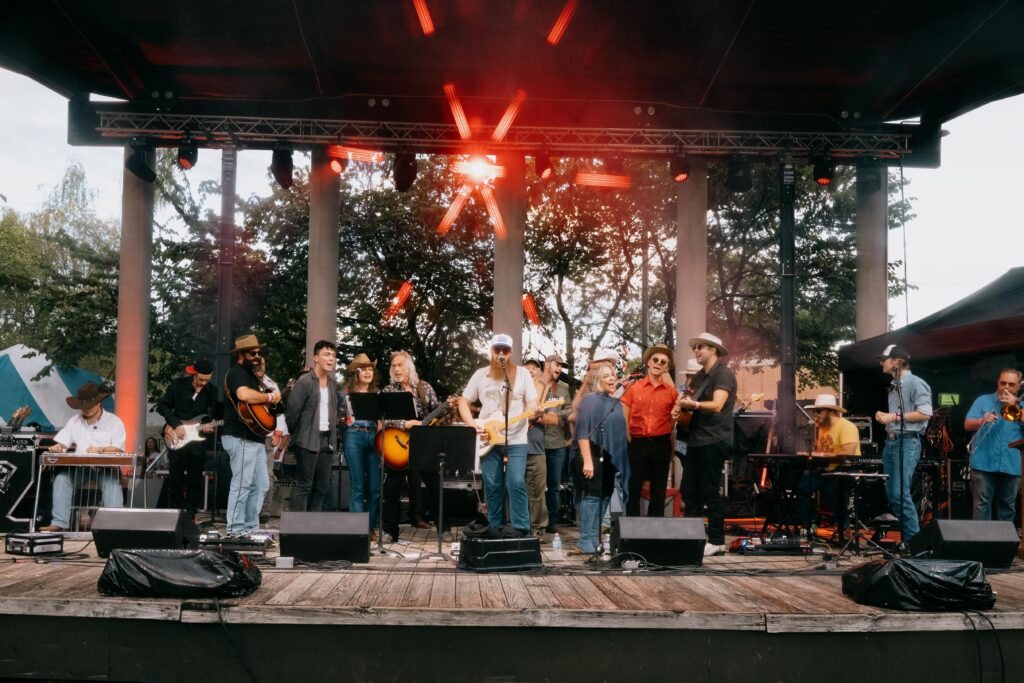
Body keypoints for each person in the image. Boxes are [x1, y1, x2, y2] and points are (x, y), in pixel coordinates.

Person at [458, 333, 538, 534]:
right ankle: (495, 528)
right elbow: (463, 402)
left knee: (516, 482)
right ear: (491, 352)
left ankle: (521, 530)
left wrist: (535, 410)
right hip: (488, 437)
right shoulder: (480, 375)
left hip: (516, 438)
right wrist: (472, 425)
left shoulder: (522, 375)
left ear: (511, 353)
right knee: (492, 485)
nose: (501, 354)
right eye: (497, 350)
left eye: (505, 350)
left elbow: (532, 403)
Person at [674, 332, 737, 557]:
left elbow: (718, 404)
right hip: (696, 440)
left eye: (700, 347)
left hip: (715, 439)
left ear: (713, 349)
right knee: (689, 490)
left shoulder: (724, 374)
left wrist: (695, 404)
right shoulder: (700, 376)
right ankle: (692, 537)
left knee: (710, 490)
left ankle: (718, 540)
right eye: (695, 347)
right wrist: (680, 408)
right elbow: (689, 403)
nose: (696, 351)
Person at [381, 350, 450, 541]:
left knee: (435, 485)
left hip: (423, 442)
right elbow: (383, 420)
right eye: (393, 366)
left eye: (400, 365)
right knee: (392, 488)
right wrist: (405, 424)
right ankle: (389, 531)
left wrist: (446, 409)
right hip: (397, 444)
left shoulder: (424, 388)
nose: (396, 369)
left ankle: (444, 528)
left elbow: (436, 411)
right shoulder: (388, 391)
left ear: (409, 367)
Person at [39, 383, 125, 532]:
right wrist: (58, 447)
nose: (87, 409)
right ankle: (59, 523)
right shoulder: (74, 421)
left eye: (90, 405)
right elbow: (63, 443)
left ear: (99, 402)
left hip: (103, 469)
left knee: (112, 485)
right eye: (83, 406)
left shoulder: (114, 421)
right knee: (61, 479)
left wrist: (101, 449)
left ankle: (115, 526)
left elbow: (117, 447)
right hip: (79, 469)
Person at [222, 334, 280, 536]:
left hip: (254, 438)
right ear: (241, 355)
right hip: (239, 436)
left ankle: (250, 528)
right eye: (253, 353)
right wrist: (269, 397)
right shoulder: (236, 373)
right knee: (242, 484)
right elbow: (243, 395)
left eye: (259, 352)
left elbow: (259, 406)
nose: (257, 356)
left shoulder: (252, 377)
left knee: (261, 485)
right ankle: (235, 530)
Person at [874, 344, 932, 544]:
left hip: (907, 442)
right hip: (892, 443)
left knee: (900, 493)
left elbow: (925, 413)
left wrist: (893, 417)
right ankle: (909, 542)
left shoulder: (916, 383)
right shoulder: (895, 385)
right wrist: (888, 417)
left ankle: (914, 544)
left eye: (885, 359)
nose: (881, 362)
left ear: (897, 362)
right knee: (893, 494)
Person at [573, 364, 629, 554]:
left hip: (608, 457)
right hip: (591, 453)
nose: (612, 378)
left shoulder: (614, 402)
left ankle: (593, 537)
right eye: (607, 376)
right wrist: (588, 461)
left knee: (605, 496)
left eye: (613, 375)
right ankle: (585, 540)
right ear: (598, 380)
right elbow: (582, 432)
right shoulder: (589, 400)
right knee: (592, 497)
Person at [621, 343, 678, 518]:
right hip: (638, 442)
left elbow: (672, 422)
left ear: (666, 368)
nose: (658, 363)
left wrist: (675, 418)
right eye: (655, 360)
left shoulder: (671, 392)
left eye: (663, 362)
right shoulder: (633, 388)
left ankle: (656, 533)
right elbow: (624, 418)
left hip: (661, 444)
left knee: (659, 491)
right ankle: (632, 531)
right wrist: (631, 440)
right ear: (648, 362)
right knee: (634, 487)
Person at [155, 357, 217, 516]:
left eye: (207, 380)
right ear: (194, 374)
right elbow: (162, 405)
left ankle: (190, 515)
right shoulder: (178, 385)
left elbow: (212, 415)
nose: (204, 383)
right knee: (175, 476)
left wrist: (210, 425)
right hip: (176, 434)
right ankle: (175, 512)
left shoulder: (212, 391)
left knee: (195, 478)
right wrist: (176, 424)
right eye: (201, 379)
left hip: (198, 439)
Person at [795, 394, 861, 538]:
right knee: (802, 487)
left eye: (818, 411)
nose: (815, 415)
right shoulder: (823, 428)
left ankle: (844, 528)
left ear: (830, 411)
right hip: (826, 470)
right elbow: (823, 452)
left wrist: (824, 455)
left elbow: (849, 452)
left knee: (833, 490)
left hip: (844, 469)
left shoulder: (847, 426)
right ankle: (808, 525)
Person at [286, 340, 338, 513]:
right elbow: (292, 414)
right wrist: (300, 434)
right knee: (304, 485)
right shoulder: (305, 382)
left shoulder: (332, 383)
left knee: (321, 487)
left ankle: (312, 528)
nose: (331, 359)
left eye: (333, 355)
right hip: (307, 439)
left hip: (327, 440)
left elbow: (333, 412)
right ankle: (296, 529)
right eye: (326, 354)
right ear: (316, 358)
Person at [964, 368, 1023, 521]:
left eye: (1011, 384)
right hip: (983, 462)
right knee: (981, 505)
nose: (1006, 387)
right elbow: (967, 424)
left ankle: (1004, 544)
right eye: (1003, 383)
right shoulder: (983, 401)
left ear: (1018, 386)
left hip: (1012, 464)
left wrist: (1017, 408)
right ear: (998, 383)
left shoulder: (1022, 405)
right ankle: (981, 544)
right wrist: (980, 421)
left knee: (1007, 506)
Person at [340, 353, 381, 536]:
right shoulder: (345, 394)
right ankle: (357, 530)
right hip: (354, 436)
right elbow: (337, 417)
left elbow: (381, 420)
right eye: (363, 369)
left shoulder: (377, 394)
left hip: (373, 436)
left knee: (375, 487)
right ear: (356, 373)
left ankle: (370, 528)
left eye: (370, 368)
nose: (368, 372)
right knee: (358, 486)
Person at [539, 353, 571, 533]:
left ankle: (553, 522)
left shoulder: (564, 389)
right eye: (556, 365)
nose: (559, 369)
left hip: (557, 443)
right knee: (536, 485)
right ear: (547, 365)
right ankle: (537, 521)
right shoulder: (536, 385)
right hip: (537, 443)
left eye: (561, 366)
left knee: (554, 486)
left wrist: (554, 417)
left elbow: (569, 410)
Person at [256, 357, 289, 523]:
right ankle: (249, 510)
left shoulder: (272, 384)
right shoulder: (244, 383)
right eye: (257, 364)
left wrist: (278, 432)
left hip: (268, 436)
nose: (260, 366)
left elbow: (279, 412)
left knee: (268, 475)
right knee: (248, 476)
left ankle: (265, 511)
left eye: (262, 363)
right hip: (250, 436)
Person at [523, 359, 548, 538]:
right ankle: (518, 527)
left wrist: (538, 416)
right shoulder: (514, 392)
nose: (531, 371)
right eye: (527, 368)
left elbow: (555, 419)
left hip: (537, 448)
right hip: (515, 447)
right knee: (515, 489)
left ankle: (537, 530)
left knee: (538, 492)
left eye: (534, 368)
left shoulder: (546, 392)